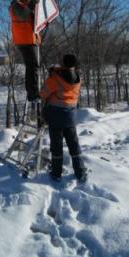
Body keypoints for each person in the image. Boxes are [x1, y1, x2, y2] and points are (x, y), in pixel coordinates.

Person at [39, 54, 87, 182]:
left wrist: (52, 74)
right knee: (74, 144)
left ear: (63, 63)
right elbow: (66, 76)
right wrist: (56, 71)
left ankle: (56, 173)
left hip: (55, 116)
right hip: (70, 116)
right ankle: (80, 172)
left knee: (56, 145)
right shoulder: (77, 78)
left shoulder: (55, 79)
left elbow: (43, 94)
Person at [9, 0, 40, 102]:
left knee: (33, 66)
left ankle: (33, 93)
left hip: (30, 40)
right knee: (32, 66)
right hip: (24, 41)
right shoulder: (15, 7)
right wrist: (32, 4)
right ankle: (32, 94)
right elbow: (22, 15)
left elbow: (33, 23)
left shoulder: (25, 7)